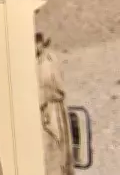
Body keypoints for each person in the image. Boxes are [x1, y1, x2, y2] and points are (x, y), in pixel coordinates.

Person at [36, 32, 75, 175]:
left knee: (55, 150)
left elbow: (60, 91)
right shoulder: (30, 62)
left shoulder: (51, 61)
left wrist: (45, 97)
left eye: (38, 42)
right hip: (37, 113)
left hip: (52, 112)